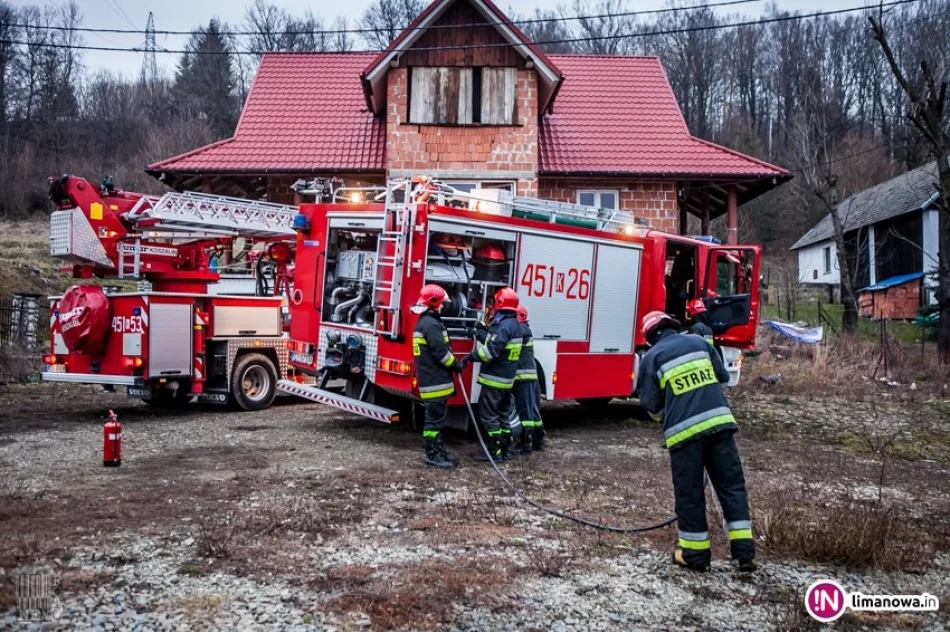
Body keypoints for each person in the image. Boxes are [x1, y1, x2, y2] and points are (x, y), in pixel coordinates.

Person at [637, 311, 756, 573]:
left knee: (690, 494)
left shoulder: (652, 358)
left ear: (649, 338)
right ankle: (744, 553)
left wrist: (667, 413)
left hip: (684, 436)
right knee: (731, 487)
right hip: (720, 426)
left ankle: (695, 555)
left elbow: (652, 406)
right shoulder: (700, 343)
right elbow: (722, 377)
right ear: (672, 326)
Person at [463, 287, 523, 461]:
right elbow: (497, 343)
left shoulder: (503, 326)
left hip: (494, 381)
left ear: (500, 303)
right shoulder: (514, 325)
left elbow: (491, 352)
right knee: (503, 417)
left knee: (489, 416)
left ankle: (494, 452)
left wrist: (470, 357)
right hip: (506, 381)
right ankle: (506, 450)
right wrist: (478, 333)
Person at [411, 284, 462, 469]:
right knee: (433, 422)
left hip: (433, 381)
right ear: (435, 303)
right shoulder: (431, 325)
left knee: (437, 421)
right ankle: (432, 456)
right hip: (435, 382)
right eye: (442, 303)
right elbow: (441, 354)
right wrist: (456, 364)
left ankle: (439, 452)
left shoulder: (426, 322)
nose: (443, 306)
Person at [513, 304, 544, 453]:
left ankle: (526, 445)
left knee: (526, 412)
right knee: (533, 409)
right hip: (530, 375)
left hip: (523, 376)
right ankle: (539, 441)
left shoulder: (520, 330)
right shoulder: (525, 328)